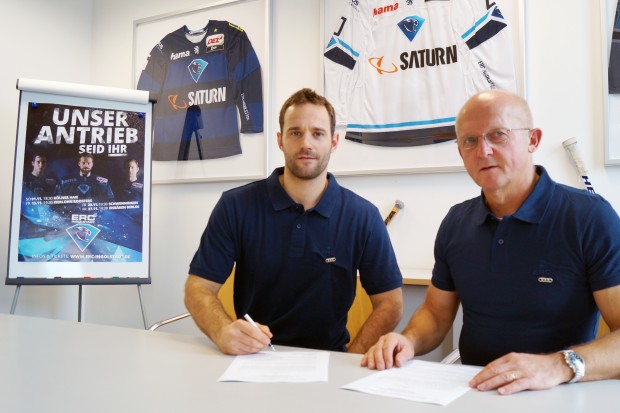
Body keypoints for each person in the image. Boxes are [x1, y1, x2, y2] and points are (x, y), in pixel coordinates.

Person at [362, 90, 620, 395]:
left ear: (533, 140)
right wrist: (408, 340)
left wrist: (557, 366)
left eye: (498, 135)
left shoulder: (589, 217)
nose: (483, 151)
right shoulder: (456, 222)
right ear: (460, 152)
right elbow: (435, 313)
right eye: (469, 141)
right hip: (473, 391)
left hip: (556, 393)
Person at [184, 88, 403, 355]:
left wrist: (350, 362)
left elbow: (390, 303)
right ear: (280, 140)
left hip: (329, 361)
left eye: (317, 133)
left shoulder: (363, 217)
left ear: (334, 142)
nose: (306, 144)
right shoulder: (235, 206)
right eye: (295, 132)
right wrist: (222, 331)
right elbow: (198, 287)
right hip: (254, 360)